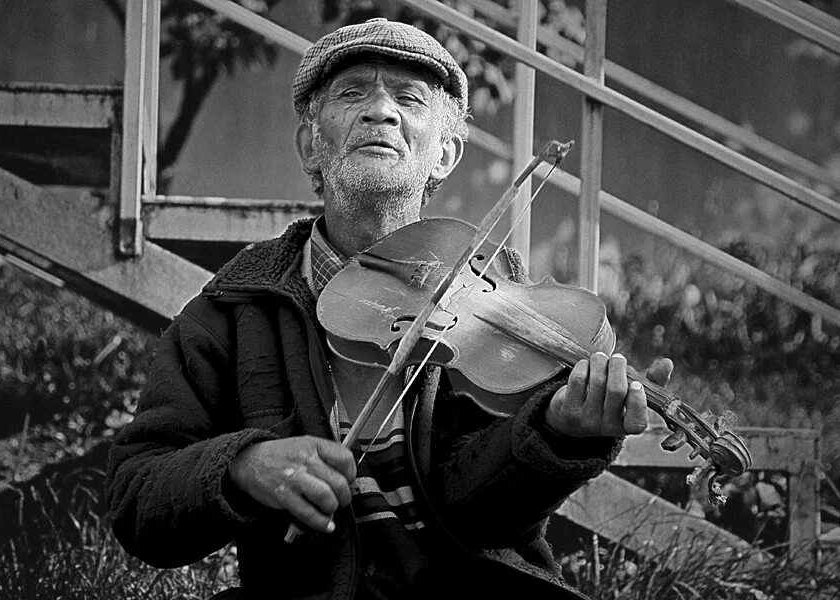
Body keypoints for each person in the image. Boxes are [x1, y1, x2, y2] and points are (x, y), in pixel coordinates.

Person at [105, 18, 673, 600]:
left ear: (446, 154)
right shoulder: (233, 310)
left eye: (409, 98)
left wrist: (556, 435)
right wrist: (242, 467)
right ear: (310, 146)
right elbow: (136, 496)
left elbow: (481, 517)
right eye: (354, 93)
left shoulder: (497, 300)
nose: (382, 111)